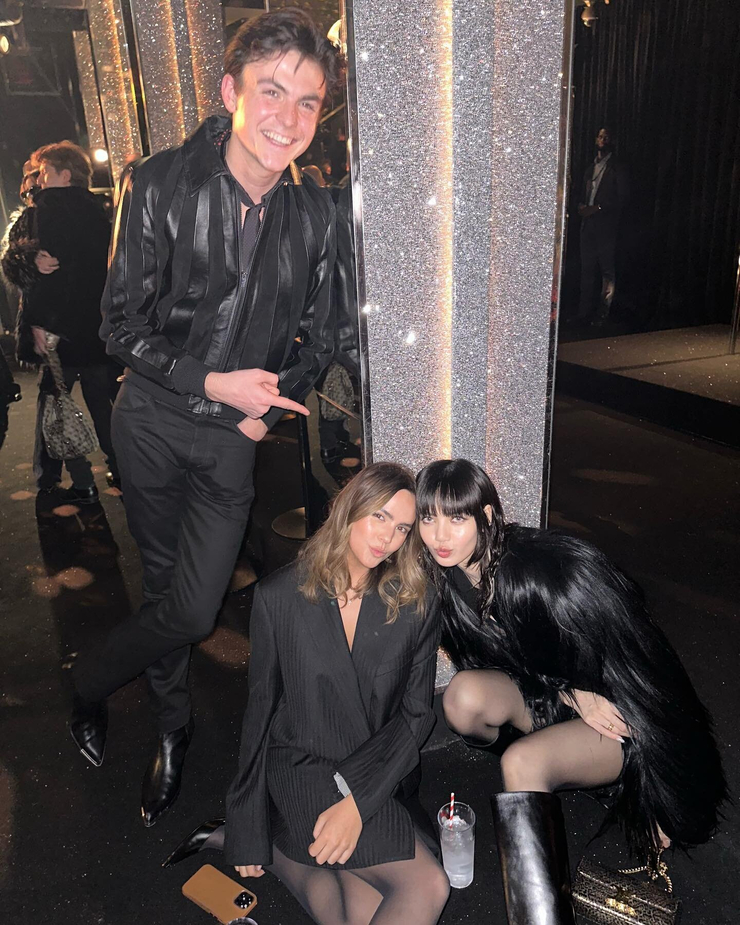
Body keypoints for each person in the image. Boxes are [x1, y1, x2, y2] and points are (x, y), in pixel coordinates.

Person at [69, 9, 343, 828]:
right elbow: (118, 326)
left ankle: (88, 679)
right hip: (151, 422)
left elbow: (324, 334)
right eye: (271, 90)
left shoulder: (315, 213)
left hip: (234, 438)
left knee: (193, 608)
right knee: (165, 584)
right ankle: (173, 725)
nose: (288, 117)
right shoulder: (158, 183)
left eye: (307, 100)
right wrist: (211, 381)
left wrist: (266, 412)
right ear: (231, 92)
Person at [416, 458, 726, 925]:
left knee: (520, 763)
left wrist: (667, 794)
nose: (440, 535)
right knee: (461, 699)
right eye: (428, 518)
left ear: (487, 517)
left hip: (620, 721)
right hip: (553, 700)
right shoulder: (444, 580)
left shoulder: (546, 574)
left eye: (456, 518)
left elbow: (652, 676)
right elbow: (510, 666)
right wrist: (569, 693)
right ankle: (548, 770)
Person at [163, 463, 449, 925]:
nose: (387, 538)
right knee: (428, 884)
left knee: (355, 915)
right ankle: (261, 836)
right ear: (348, 508)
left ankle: (277, 851)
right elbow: (260, 713)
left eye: (402, 528)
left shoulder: (416, 601)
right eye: (379, 516)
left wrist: (357, 801)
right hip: (303, 764)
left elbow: (417, 716)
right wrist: (248, 824)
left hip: (371, 766)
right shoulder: (280, 597)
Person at [1, 142, 118, 502]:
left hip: (56, 330)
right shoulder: (101, 213)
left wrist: (37, 321)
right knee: (103, 404)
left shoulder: (43, 211)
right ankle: (122, 470)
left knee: (54, 405)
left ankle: (66, 480)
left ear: (64, 175)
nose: (38, 179)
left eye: (44, 172)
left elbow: (33, 275)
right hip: (97, 328)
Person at [576, 127, 629, 327]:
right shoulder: (591, 168)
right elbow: (583, 194)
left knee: (606, 271)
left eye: (606, 137)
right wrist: (581, 207)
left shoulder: (617, 168)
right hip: (587, 225)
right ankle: (583, 313)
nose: (602, 140)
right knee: (586, 270)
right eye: (600, 136)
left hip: (606, 227)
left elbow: (623, 199)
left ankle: (603, 313)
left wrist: (597, 208)